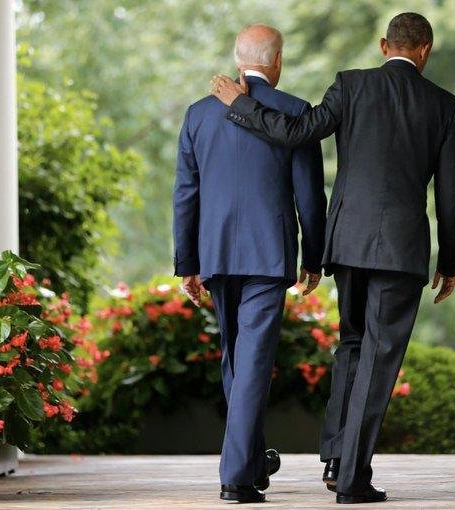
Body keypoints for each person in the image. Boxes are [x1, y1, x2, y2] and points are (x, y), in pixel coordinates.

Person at [211, 12, 455, 505]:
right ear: (425, 51)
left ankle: (335, 457)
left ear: (383, 45)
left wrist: (241, 105)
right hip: (400, 250)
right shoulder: (445, 105)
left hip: (347, 242)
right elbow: (452, 194)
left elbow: (297, 132)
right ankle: (351, 479)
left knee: (351, 345)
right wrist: (450, 259)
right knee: (379, 357)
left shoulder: (350, 85)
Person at [173, 23, 327, 504]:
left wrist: (187, 262)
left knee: (237, 359)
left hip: (216, 253)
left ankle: (253, 461)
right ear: (276, 61)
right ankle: (236, 476)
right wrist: (314, 255)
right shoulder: (295, 112)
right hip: (269, 253)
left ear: (238, 59)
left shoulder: (198, 114)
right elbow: (310, 196)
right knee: (253, 361)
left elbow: (186, 194)